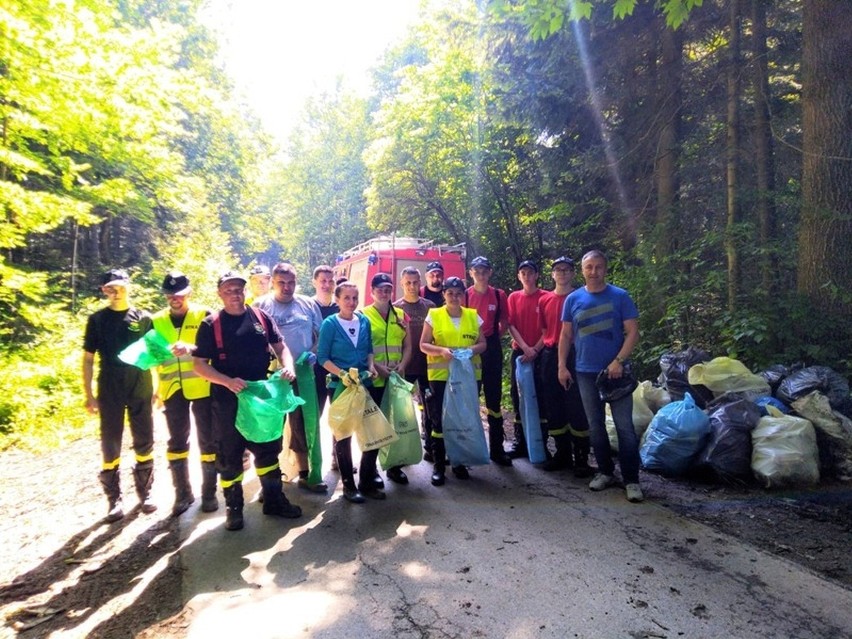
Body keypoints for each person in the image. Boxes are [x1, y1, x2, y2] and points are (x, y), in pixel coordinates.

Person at [193, 270, 302, 531]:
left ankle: (274, 500)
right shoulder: (211, 325)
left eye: (239, 289)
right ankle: (234, 509)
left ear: (245, 291)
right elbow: (199, 366)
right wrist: (226, 381)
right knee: (229, 455)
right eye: (229, 290)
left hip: (261, 396)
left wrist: (288, 367)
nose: (235, 294)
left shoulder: (260, 317)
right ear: (220, 293)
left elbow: (281, 346)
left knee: (267, 449)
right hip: (228, 398)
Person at [558, 250, 643, 503]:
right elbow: (565, 336)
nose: (593, 271)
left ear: (605, 269)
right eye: (589, 267)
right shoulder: (573, 299)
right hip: (584, 371)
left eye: (598, 267)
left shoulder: (620, 297)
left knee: (624, 427)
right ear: (582, 270)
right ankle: (605, 472)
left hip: (615, 373)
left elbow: (633, 333)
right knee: (595, 427)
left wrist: (618, 361)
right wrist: (562, 366)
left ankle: (632, 480)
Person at [83, 269, 156, 522]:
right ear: (104, 290)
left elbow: (154, 353)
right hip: (110, 382)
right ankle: (114, 500)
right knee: (110, 439)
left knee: (144, 437)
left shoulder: (144, 317)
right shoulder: (97, 320)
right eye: (110, 288)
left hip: (140, 380)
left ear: (128, 287)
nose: (116, 292)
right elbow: (89, 359)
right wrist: (89, 394)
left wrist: (157, 387)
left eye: (120, 287)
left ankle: (145, 494)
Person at [255, 262, 327, 493]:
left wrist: (312, 353)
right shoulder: (261, 306)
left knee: (303, 424)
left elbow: (321, 335)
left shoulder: (308, 304)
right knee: (270, 427)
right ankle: (270, 479)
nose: (287, 287)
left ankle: (305, 473)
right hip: (272, 376)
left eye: (291, 283)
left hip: (303, 374)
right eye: (281, 283)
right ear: (273, 282)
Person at [152, 272, 218, 516]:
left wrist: (191, 348)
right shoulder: (156, 320)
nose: (174, 299)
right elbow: (150, 355)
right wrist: (155, 390)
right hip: (172, 389)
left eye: (179, 294)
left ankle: (209, 493)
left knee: (208, 440)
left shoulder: (204, 314)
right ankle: (182, 493)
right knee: (177, 440)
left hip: (203, 386)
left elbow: (216, 347)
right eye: (169, 295)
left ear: (189, 293)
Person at [317, 280, 383, 503]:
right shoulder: (330, 324)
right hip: (340, 387)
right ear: (337, 300)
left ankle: (366, 481)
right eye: (346, 298)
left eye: (355, 298)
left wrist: (371, 366)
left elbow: (370, 350)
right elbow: (322, 357)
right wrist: (342, 374)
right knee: (343, 435)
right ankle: (348, 486)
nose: (351, 302)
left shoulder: (363, 320)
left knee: (373, 433)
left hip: (364, 384)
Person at [420, 276, 487, 485]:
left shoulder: (473, 316)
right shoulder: (434, 315)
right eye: (450, 293)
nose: (454, 297)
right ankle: (439, 466)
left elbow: (483, 343)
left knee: (462, 419)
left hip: (467, 378)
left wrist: (470, 350)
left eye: (458, 294)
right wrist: (440, 350)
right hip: (441, 377)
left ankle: (459, 462)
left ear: (463, 296)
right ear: (444, 294)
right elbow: (423, 344)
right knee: (439, 421)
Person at [538, 257, 592, 476]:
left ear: (572, 273)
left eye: (566, 270)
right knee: (553, 404)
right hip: (550, 355)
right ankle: (562, 453)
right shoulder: (544, 300)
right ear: (552, 275)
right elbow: (544, 331)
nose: (561, 273)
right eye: (557, 270)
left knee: (576, 405)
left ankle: (581, 458)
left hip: (575, 354)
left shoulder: (581, 297)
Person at [363, 272, 412, 485]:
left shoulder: (401, 315)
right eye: (380, 289)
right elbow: (362, 349)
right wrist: (377, 367)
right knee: (374, 428)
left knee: (396, 424)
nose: (384, 293)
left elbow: (408, 345)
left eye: (388, 289)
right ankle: (369, 470)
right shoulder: (363, 315)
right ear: (372, 292)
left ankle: (394, 466)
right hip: (374, 379)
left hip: (396, 380)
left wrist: (402, 366)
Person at [464, 256, 512, 466]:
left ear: (489, 272)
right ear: (470, 273)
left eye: (484, 271)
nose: (481, 274)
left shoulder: (498, 295)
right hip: (470, 349)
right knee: (469, 397)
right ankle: (469, 449)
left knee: (494, 399)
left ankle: (496, 448)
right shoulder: (464, 295)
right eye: (477, 271)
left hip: (491, 348)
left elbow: (504, 320)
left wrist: (494, 337)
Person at [394, 266, 436, 462]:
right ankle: (403, 452)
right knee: (403, 411)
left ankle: (431, 447)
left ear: (420, 283)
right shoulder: (396, 308)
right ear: (402, 284)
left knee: (430, 408)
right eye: (408, 283)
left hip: (428, 367)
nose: (412, 286)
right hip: (405, 367)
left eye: (415, 282)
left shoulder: (430, 307)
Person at [506, 260, 547, 460]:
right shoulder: (513, 297)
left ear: (537, 275)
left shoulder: (546, 297)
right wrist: (525, 348)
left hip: (542, 354)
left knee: (541, 397)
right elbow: (511, 325)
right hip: (520, 354)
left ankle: (541, 445)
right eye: (523, 273)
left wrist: (535, 349)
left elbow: (549, 329)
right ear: (518, 276)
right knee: (518, 397)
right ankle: (520, 442)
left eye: (530, 272)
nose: (527, 276)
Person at [311, 265, 339, 416]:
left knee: (341, 419)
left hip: (337, 369)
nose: (327, 285)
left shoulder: (340, 308)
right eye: (323, 281)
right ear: (314, 282)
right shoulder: (306, 307)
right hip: (314, 370)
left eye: (330, 281)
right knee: (313, 417)